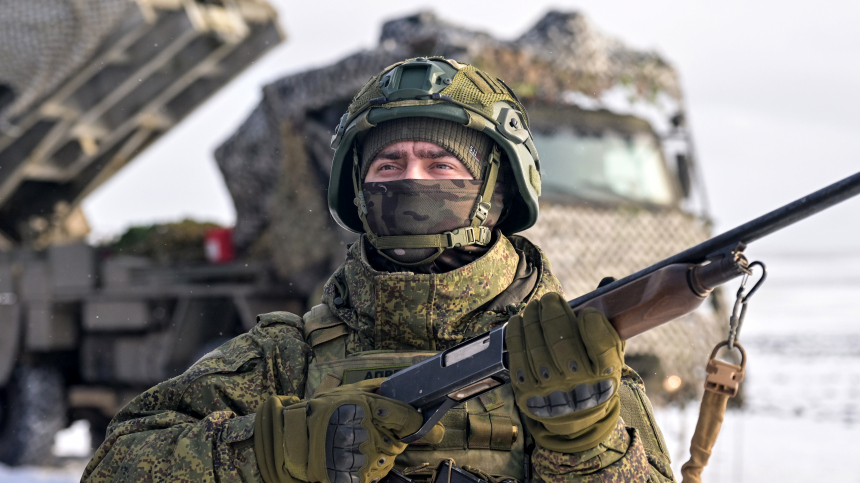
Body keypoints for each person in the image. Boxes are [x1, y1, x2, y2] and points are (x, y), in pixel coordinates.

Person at [82, 57, 674, 483]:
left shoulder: (563, 355)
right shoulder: (285, 359)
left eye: (441, 164)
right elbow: (113, 467)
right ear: (358, 193)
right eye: (388, 164)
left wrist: (587, 445)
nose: (411, 180)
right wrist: (269, 451)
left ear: (499, 191)